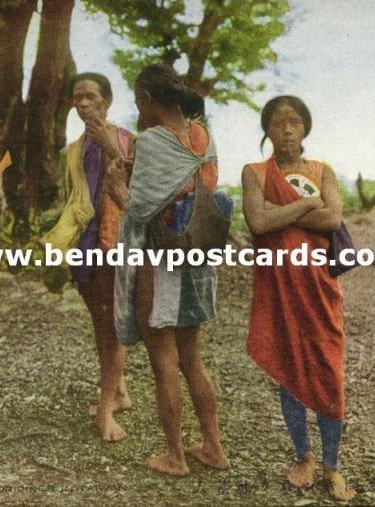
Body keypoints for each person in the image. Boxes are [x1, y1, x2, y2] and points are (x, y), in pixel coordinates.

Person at [115, 63, 229, 476]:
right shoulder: (204, 134)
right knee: (191, 358)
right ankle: (214, 448)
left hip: (161, 258)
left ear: (145, 99)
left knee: (162, 358)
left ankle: (176, 456)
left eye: (136, 101)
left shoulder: (151, 140)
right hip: (198, 255)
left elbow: (141, 207)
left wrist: (117, 189)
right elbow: (193, 188)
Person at [241, 95, 356, 500]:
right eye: (277, 123)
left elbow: (332, 218)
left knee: (329, 369)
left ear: (305, 128)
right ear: (267, 130)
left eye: (294, 122)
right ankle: (302, 455)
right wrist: (308, 204)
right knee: (288, 365)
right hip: (277, 285)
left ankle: (332, 466)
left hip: (319, 286)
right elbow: (257, 221)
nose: (286, 130)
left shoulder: (323, 171)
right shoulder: (254, 172)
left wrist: (285, 209)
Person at [42, 72, 134, 442]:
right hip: (86, 242)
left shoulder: (128, 139)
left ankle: (106, 411)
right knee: (99, 321)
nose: (82, 104)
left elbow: (135, 184)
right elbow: (74, 200)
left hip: (119, 242)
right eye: (77, 98)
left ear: (106, 101)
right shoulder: (75, 149)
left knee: (113, 326)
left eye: (90, 97)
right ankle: (119, 392)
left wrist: (110, 144)